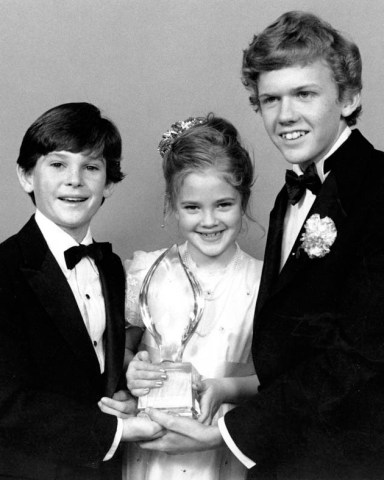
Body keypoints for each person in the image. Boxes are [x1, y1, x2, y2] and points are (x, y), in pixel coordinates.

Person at [131, 10, 384, 480]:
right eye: (270, 99)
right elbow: (297, 347)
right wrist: (229, 387)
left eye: (304, 94)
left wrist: (228, 435)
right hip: (286, 457)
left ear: (349, 98)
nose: (285, 115)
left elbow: (363, 355)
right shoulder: (288, 200)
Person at [0, 102, 162, 480]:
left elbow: (94, 370)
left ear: (108, 183)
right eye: (57, 165)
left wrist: (125, 397)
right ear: (26, 176)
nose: (75, 180)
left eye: (90, 167)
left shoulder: (111, 266)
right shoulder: (4, 269)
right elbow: (5, 402)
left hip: (103, 472)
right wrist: (116, 430)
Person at [100, 114, 263, 479]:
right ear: (173, 205)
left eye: (223, 204)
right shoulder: (147, 271)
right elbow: (121, 350)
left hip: (219, 444)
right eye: (192, 207)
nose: (209, 221)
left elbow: (273, 379)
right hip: (152, 446)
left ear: (243, 200)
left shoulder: (262, 280)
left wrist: (223, 389)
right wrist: (132, 369)